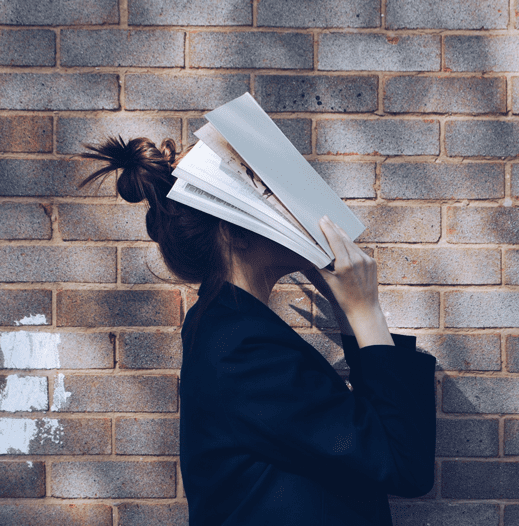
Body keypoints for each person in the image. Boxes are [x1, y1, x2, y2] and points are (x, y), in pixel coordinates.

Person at [78, 136, 436, 525]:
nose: (293, 209)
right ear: (237, 231)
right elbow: (403, 463)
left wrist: (346, 309)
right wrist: (365, 310)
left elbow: (371, 445)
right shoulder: (240, 349)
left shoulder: (232, 331)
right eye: (269, 196)